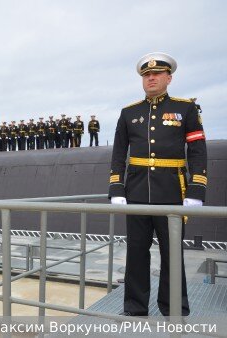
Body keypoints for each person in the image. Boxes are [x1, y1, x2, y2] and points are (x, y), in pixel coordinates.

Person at [109, 52, 207, 317]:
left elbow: (197, 150)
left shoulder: (185, 109)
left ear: (169, 78)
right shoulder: (129, 112)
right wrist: (117, 189)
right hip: (137, 192)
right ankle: (134, 308)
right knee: (136, 253)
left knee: (173, 255)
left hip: (173, 193)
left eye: (157, 74)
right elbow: (119, 153)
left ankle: (174, 307)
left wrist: (197, 189)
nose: (151, 78)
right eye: (146, 75)